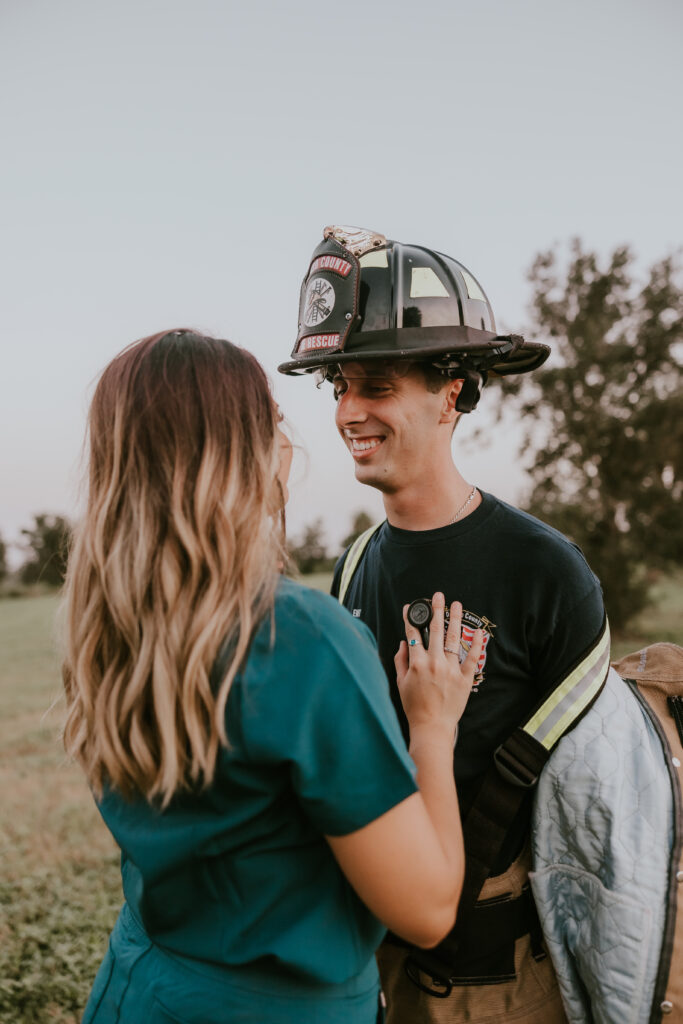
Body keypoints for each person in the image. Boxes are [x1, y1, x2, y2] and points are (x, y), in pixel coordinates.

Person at [61, 328, 485, 1024]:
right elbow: (428, 910)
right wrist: (432, 724)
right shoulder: (301, 639)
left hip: (139, 989)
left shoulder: (106, 620)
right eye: (273, 420)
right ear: (240, 452)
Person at [279, 227, 610, 1024]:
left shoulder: (548, 574)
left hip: (499, 988)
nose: (349, 411)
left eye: (377, 386)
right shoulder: (356, 564)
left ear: (453, 391)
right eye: (338, 388)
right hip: (371, 968)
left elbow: (600, 820)